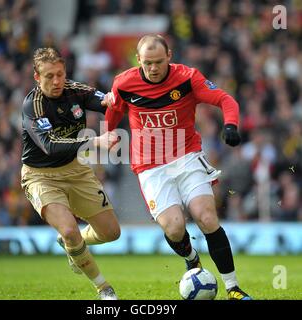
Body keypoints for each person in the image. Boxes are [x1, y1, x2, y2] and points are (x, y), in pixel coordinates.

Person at [105, 34, 252, 300]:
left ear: (169, 56)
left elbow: (225, 100)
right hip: (150, 166)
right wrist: (109, 132)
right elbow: (113, 112)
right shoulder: (124, 84)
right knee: (173, 228)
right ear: (138, 60)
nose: (153, 68)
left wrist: (230, 125)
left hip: (186, 156)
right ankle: (192, 259)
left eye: (158, 62)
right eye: (147, 63)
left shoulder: (187, 78)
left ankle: (232, 288)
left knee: (206, 217)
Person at [21, 47, 120, 300]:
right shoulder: (33, 106)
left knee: (111, 233)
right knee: (69, 230)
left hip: (76, 170)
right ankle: (103, 288)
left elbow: (103, 100)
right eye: (49, 76)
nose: (56, 81)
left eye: (60, 74)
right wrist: (96, 142)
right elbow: (50, 145)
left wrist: (110, 100)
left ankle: (71, 245)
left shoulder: (75, 90)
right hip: (40, 176)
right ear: (36, 77)